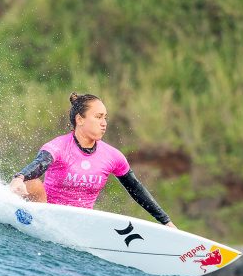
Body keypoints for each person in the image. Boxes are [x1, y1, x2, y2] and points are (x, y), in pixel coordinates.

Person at [10, 93, 177, 228]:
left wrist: (166, 222)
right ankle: (16, 211)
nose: (104, 123)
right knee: (32, 182)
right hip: (48, 215)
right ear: (80, 119)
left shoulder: (113, 156)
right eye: (98, 117)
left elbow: (136, 190)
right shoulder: (58, 147)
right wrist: (20, 177)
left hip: (82, 224)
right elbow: (41, 163)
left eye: (105, 117)